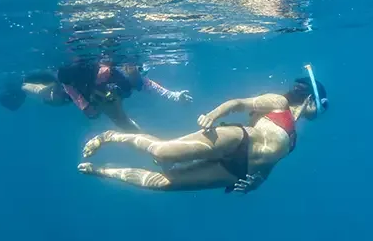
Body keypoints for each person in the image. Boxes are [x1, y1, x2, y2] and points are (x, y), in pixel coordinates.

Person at [77, 66, 328, 193]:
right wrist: (212, 116)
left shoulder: (293, 140)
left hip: (236, 172)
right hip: (236, 138)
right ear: (311, 99)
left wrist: (257, 183)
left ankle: (101, 171)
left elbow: (269, 165)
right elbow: (237, 103)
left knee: (162, 184)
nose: (321, 112)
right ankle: (110, 136)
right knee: (162, 152)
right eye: (322, 105)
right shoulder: (279, 103)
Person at [0, 59, 192, 132]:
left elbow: (152, 87)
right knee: (55, 96)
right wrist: (84, 106)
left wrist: (176, 96)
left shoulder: (126, 78)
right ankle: (21, 86)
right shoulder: (88, 70)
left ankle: (22, 86)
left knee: (57, 98)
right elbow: (67, 83)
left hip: (85, 93)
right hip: (72, 86)